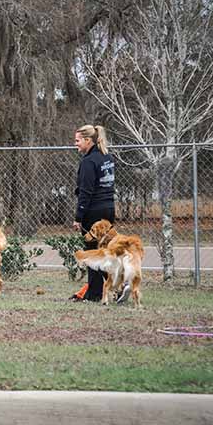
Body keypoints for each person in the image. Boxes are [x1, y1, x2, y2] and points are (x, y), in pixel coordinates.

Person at [71, 124, 115, 303]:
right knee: (105, 253)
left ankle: (95, 294)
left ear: (88, 140)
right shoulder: (107, 157)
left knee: (92, 254)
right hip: (108, 209)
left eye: (77, 141)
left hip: (93, 211)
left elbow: (86, 192)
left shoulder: (88, 162)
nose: (75, 144)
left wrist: (78, 217)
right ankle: (116, 286)